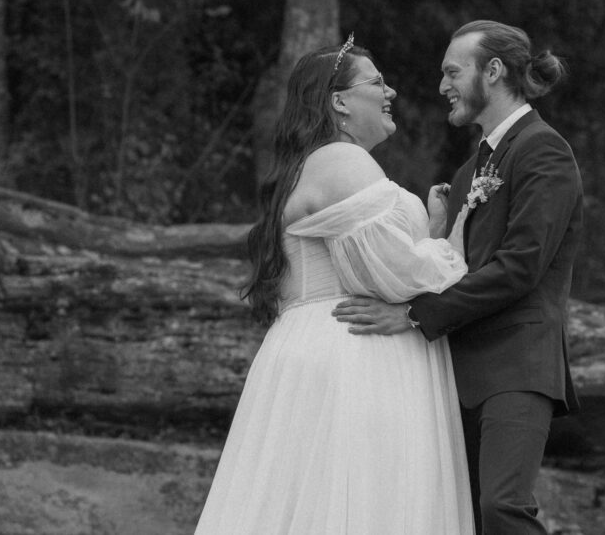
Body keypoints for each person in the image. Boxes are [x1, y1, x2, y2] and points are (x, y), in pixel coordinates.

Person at [194, 36, 475, 534]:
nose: (391, 92)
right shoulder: (342, 161)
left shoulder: (316, 164)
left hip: (326, 345)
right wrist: (451, 243)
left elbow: (374, 261)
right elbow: (396, 276)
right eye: (377, 82)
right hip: (352, 353)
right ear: (339, 101)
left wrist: (426, 234)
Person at [333, 20, 583, 534]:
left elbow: (520, 267)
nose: (443, 85)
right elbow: (455, 267)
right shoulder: (471, 171)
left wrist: (412, 314)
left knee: (503, 509)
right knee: (461, 519)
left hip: (518, 365)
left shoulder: (544, 150)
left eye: (453, 71)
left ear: (492, 71)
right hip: (457, 371)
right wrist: (434, 237)